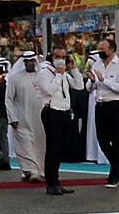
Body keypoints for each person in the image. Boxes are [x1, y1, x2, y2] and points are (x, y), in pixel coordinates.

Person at [36, 45, 75, 196]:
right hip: (52, 111)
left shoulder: (64, 73)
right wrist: (59, 75)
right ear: (51, 57)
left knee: (60, 148)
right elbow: (48, 90)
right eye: (58, 56)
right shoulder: (45, 73)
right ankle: (51, 183)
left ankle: (57, 181)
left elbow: (78, 85)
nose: (61, 60)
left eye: (64, 57)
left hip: (64, 111)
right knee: (52, 148)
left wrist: (73, 70)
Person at [7, 52, 42, 181]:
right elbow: (9, 99)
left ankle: (36, 170)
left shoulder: (42, 76)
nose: (30, 63)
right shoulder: (15, 78)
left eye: (32, 61)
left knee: (39, 145)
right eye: (27, 61)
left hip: (40, 119)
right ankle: (31, 170)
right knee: (24, 144)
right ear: (24, 62)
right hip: (21, 118)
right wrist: (12, 118)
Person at [92, 37, 119, 187]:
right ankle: (116, 166)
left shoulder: (118, 65)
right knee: (102, 140)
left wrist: (103, 80)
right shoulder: (97, 64)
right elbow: (90, 88)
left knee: (116, 141)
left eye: (103, 49)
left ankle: (114, 175)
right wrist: (92, 81)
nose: (100, 52)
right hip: (100, 105)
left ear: (112, 50)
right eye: (99, 49)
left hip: (114, 105)